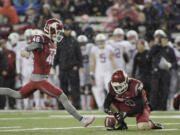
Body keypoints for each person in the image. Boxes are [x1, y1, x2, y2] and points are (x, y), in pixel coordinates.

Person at [0, 18, 95, 127]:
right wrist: (25, 51)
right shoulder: (42, 40)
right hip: (40, 80)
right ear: (51, 30)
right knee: (62, 96)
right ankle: (82, 120)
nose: (59, 34)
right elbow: (30, 47)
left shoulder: (51, 42)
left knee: (17, 94)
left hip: (37, 79)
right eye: (58, 31)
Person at [54, 24, 83, 110]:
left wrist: (80, 65)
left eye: (68, 30)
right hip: (63, 67)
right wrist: (54, 65)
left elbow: (79, 54)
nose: (67, 31)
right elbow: (57, 54)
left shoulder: (74, 41)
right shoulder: (59, 42)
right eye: (66, 30)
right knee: (63, 88)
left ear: (70, 31)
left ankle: (76, 104)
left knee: (75, 87)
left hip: (73, 68)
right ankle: (62, 105)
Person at [90, 33, 116, 110]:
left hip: (108, 71)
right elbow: (93, 61)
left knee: (110, 88)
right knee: (99, 89)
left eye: (102, 41)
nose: (100, 42)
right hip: (98, 71)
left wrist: (114, 70)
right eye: (99, 41)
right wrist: (91, 72)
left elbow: (112, 60)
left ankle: (112, 105)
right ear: (96, 41)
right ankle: (101, 105)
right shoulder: (94, 49)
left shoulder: (109, 48)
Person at [77, 35, 93, 110]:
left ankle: (89, 105)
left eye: (84, 43)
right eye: (81, 43)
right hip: (81, 70)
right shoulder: (76, 48)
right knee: (82, 88)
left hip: (89, 69)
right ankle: (83, 105)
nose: (82, 44)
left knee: (89, 87)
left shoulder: (90, 47)